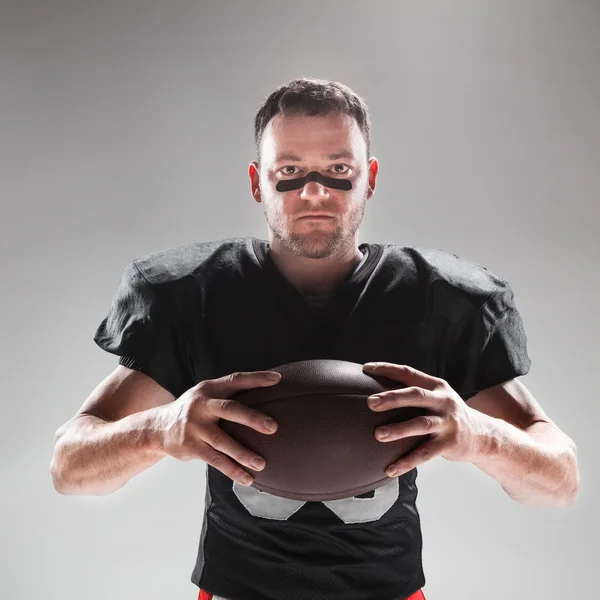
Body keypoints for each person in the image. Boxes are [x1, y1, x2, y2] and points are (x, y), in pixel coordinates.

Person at [51, 78, 579, 600]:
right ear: (258, 182)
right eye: (290, 170)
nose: (314, 191)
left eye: (338, 169)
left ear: (369, 178)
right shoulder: (198, 295)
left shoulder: (439, 300)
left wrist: (479, 436)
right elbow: (71, 468)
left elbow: (560, 479)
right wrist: (160, 428)